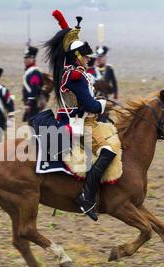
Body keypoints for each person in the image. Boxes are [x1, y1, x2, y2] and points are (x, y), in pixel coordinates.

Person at [32, 10, 117, 221]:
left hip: (79, 118)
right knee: (107, 151)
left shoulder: (72, 72)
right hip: (75, 122)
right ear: (78, 57)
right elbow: (89, 104)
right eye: (86, 56)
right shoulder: (76, 76)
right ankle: (87, 197)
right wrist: (105, 104)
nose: (89, 59)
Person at [22, 45, 44, 126]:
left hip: (34, 104)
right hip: (32, 105)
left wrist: (29, 103)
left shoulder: (34, 72)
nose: (25, 60)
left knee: (35, 127)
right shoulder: (29, 71)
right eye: (25, 58)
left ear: (33, 59)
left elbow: (34, 88)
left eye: (28, 58)